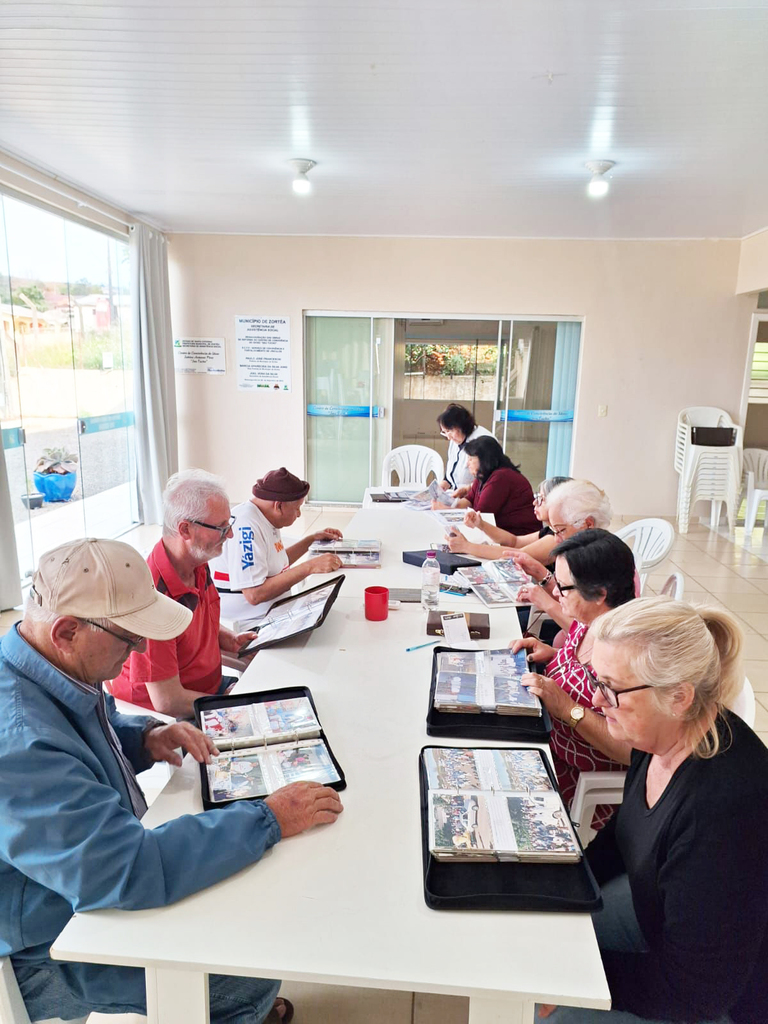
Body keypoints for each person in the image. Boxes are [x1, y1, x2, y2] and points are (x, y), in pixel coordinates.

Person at [0, 538, 344, 1024]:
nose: (142, 647)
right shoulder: (18, 744)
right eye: (128, 636)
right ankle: (243, 1006)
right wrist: (267, 818)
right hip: (39, 945)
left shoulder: (41, 659)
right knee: (248, 972)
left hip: (68, 882)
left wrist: (144, 739)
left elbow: (75, 740)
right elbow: (125, 869)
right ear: (66, 630)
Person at [539, 597, 768, 1024]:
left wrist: (576, 981)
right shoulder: (658, 736)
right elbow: (621, 836)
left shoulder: (721, 812)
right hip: (665, 923)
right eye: (595, 677)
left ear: (678, 696)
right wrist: (560, 888)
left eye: (611, 687)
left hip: (715, 1003)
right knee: (540, 938)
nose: (594, 697)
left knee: (541, 1013)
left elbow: (699, 990)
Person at [110, 469, 263, 717]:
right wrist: (228, 703)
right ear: (185, 530)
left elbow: (190, 629)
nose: (230, 534)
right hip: (176, 713)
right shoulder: (151, 600)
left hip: (210, 688)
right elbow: (167, 701)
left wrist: (229, 639)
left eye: (229, 524)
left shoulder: (197, 560)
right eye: (221, 528)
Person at [512, 530, 636, 828]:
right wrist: (550, 655)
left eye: (565, 587)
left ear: (601, 594)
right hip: (545, 738)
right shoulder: (589, 621)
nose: (556, 592)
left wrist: (567, 709)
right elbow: (577, 670)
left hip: (573, 777)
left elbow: (635, 751)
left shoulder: (627, 654)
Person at [210, 467, 344, 627]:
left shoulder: (263, 516)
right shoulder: (246, 527)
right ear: (278, 506)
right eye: (296, 508)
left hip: (274, 611)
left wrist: (311, 539)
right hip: (252, 623)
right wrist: (309, 567)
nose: (299, 514)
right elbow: (254, 594)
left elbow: (276, 562)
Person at [512, 478, 614, 632]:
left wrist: (545, 602)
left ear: (588, 524)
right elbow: (570, 596)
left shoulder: (601, 564)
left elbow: (590, 635)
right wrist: (540, 573)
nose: (556, 539)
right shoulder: (584, 551)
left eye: (560, 530)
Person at [446, 474, 572, 562]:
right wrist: (482, 524)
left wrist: (466, 547)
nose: (534, 503)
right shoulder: (551, 530)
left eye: (541, 499)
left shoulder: (560, 537)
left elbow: (518, 555)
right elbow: (514, 541)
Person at [432, 434, 539, 535]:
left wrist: (446, 511)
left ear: (484, 460)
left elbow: (480, 516)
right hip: (501, 532)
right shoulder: (484, 474)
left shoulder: (501, 478)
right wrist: (449, 507)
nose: (467, 463)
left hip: (519, 536)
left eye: (471, 459)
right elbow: (469, 500)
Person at [435, 402, 492, 494]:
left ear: (462, 426)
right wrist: (445, 483)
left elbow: (490, 479)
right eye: (444, 432)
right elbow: (453, 466)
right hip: (457, 493)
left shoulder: (483, 441)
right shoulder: (456, 439)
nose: (448, 437)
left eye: (450, 431)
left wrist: (467, 489)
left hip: (477, 495)